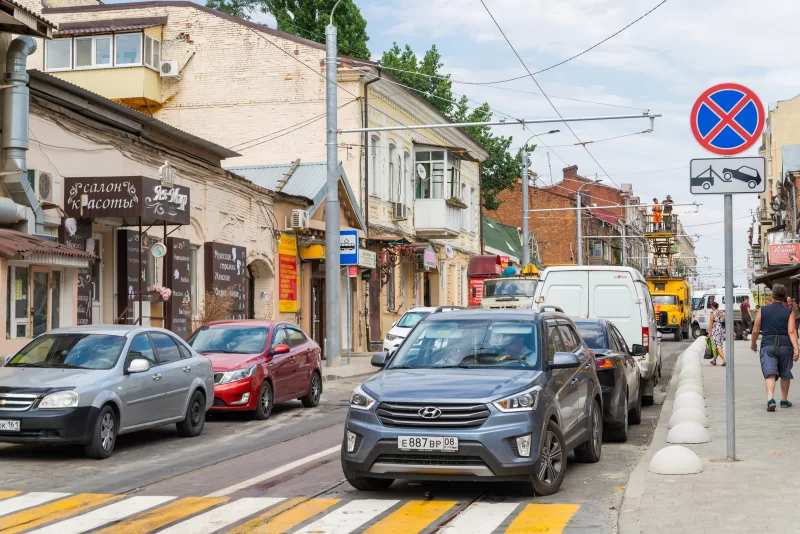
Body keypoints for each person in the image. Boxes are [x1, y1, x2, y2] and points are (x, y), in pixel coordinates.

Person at [750, 284, 800, 411]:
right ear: (784, 297)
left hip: (768, 344)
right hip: (785, 345)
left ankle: (771, 399)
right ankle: (784, 400)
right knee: (785, 373)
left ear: (772, 295)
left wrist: (753, 343)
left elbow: (755, 330)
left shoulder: (763, 310)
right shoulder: (789, 312)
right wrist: (796, 348)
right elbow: (792, 332)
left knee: (770, 373)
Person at [708, 301, 727, 366]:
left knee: (717, 347)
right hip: (721, 330)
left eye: (711, 306)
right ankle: (714, 360)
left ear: (713, 306)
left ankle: (724, 360)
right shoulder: (722, 313)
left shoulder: (712, 313)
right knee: (718, 346)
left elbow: (711, 323)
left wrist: (710, 332)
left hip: (715, 331)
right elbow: (726, 322)